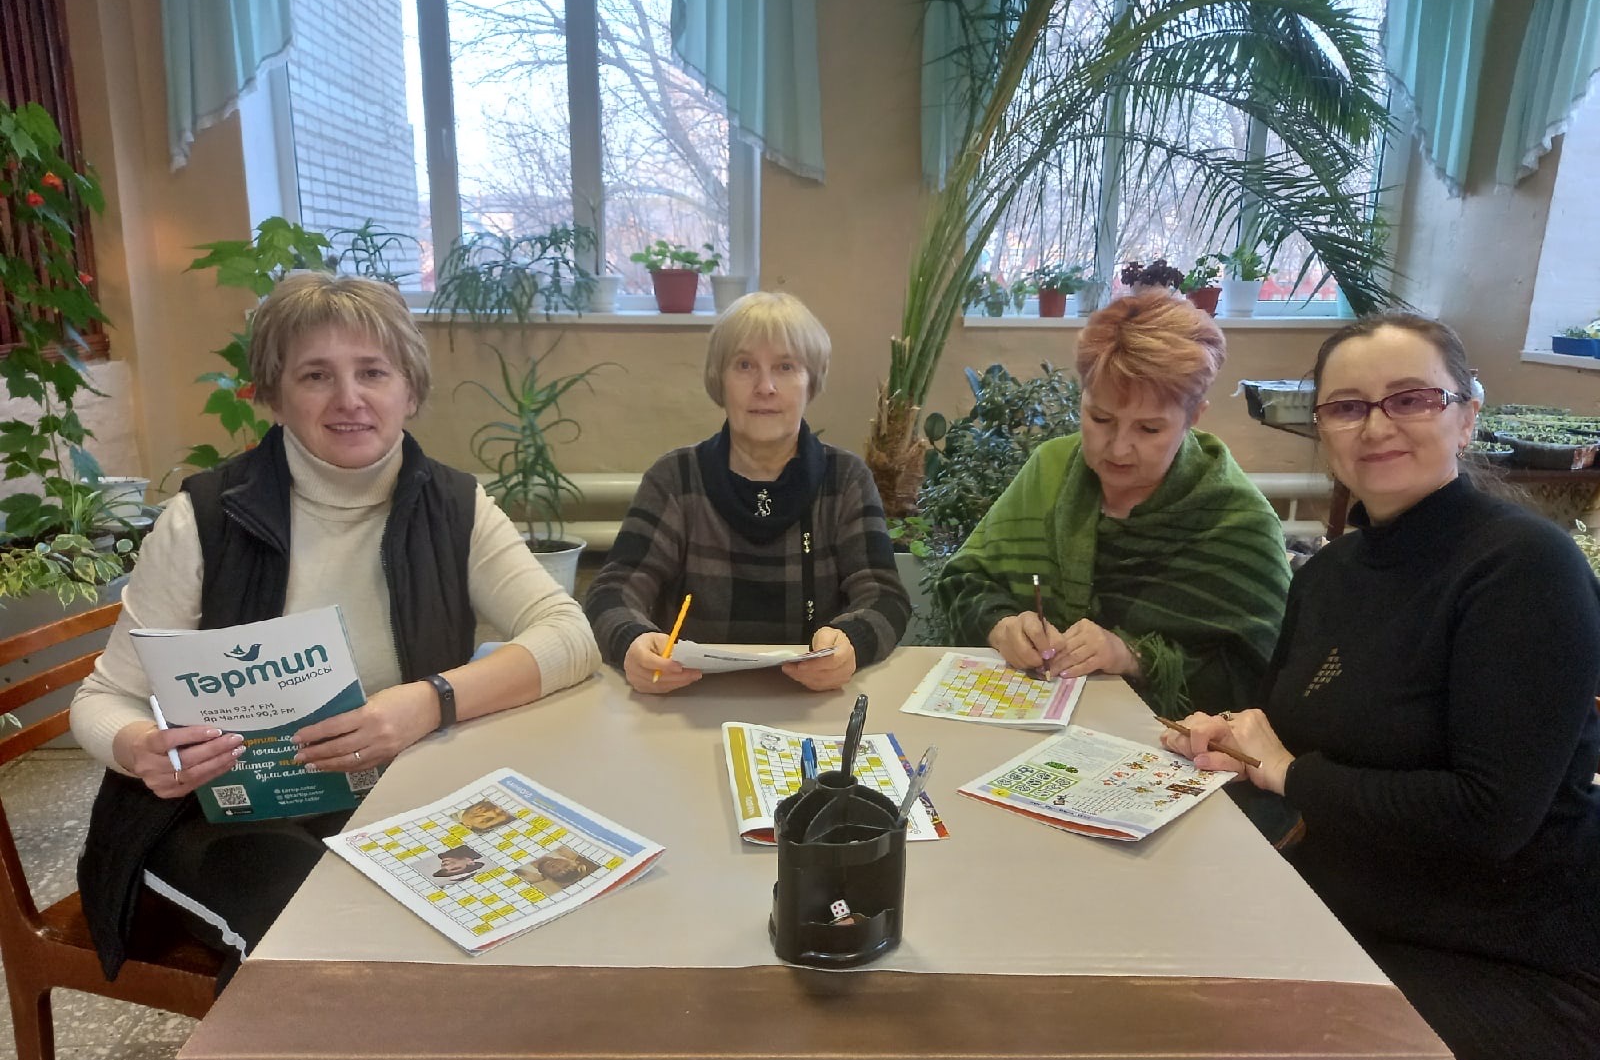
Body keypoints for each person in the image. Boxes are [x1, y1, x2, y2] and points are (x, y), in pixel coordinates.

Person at [72, 272, 601, 983]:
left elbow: (568, 634)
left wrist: (429, 702)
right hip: (216, 817)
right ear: (273, 396)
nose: (349, 399)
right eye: (315, 375)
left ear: (410, 391)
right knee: (317, 940)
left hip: (393, 797)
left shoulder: (455, 506)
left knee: (533, 901)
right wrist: (140, 747)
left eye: (373, 372)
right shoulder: (204, 519)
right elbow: (102, 699)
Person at [1160, 313, 1600, 1060]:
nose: (1377, 426)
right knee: (1134, 993)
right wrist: (1235, 741)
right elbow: (1293, 733)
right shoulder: (1330, 572)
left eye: (1411, 398)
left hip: (1505, 971)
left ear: (1467, 416)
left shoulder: (1525, 568)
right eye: (1347, 406)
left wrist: (1289, 773)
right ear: (1322, 427)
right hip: (1340, 919)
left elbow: (1490, 816)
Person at [934, 289, 1290, 719]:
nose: (1119, 448)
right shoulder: (1049, 469)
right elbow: (963, 581)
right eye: (1100, 418)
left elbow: (1260, 679)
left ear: (1194, 417)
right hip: (1032, 726)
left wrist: (1134, 657)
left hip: (1168, 745)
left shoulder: (1238, 521)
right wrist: (1001, 624)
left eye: (1149, 429)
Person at [584, 291, 909, 694]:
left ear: (811, 381)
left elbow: (885, 595)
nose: (765, 387)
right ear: (718, 380)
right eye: (744, 365)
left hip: (815, 699)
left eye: (785, 367)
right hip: (687, 697)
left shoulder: (846, 479)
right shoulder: (674, 478)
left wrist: (853, 642)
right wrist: (632, 640)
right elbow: (613, 591)